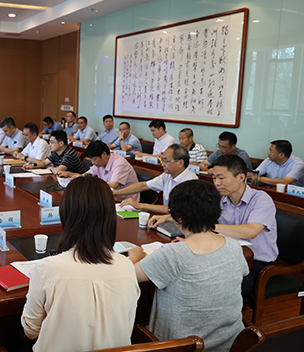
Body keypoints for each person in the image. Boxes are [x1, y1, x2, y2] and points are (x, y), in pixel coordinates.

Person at [21, 176, 139, 352]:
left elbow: (31, 331)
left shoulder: (47, 269)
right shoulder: (127, 267)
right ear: (109, 217)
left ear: (66, 213)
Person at [129, 180, 248, 352]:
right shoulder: (233, 246)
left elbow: (127, 276)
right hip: (230, 342)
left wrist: (135, 256)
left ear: (179, 218)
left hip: (182, 346)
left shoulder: (173, 254)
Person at [209, 155, 277, 296]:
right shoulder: (220, 199)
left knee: (218, 288)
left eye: (221, 178)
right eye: (214, 178)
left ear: (241, 177)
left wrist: (209, 226)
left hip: (257, 264)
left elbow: (250, 231)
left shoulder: (261, 199)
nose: (216, 183)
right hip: (228, 257)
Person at [114, 144, 198, 214]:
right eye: (162, 160)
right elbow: (144, 185)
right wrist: (117, 192)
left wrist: (140, 205)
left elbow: (175, 209)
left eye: (166, 161)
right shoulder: (167, 175)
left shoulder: (190, 182)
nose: (162, 164)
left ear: (180, 163)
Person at [60, 141, 139, 201]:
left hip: (125, 202)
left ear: (104, 154)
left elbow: (112, 186)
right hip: (108, 198)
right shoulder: (100, 163)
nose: (92, 162)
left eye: (94, 159)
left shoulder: (119, 163)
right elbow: (86, 175)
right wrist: (70, 174)